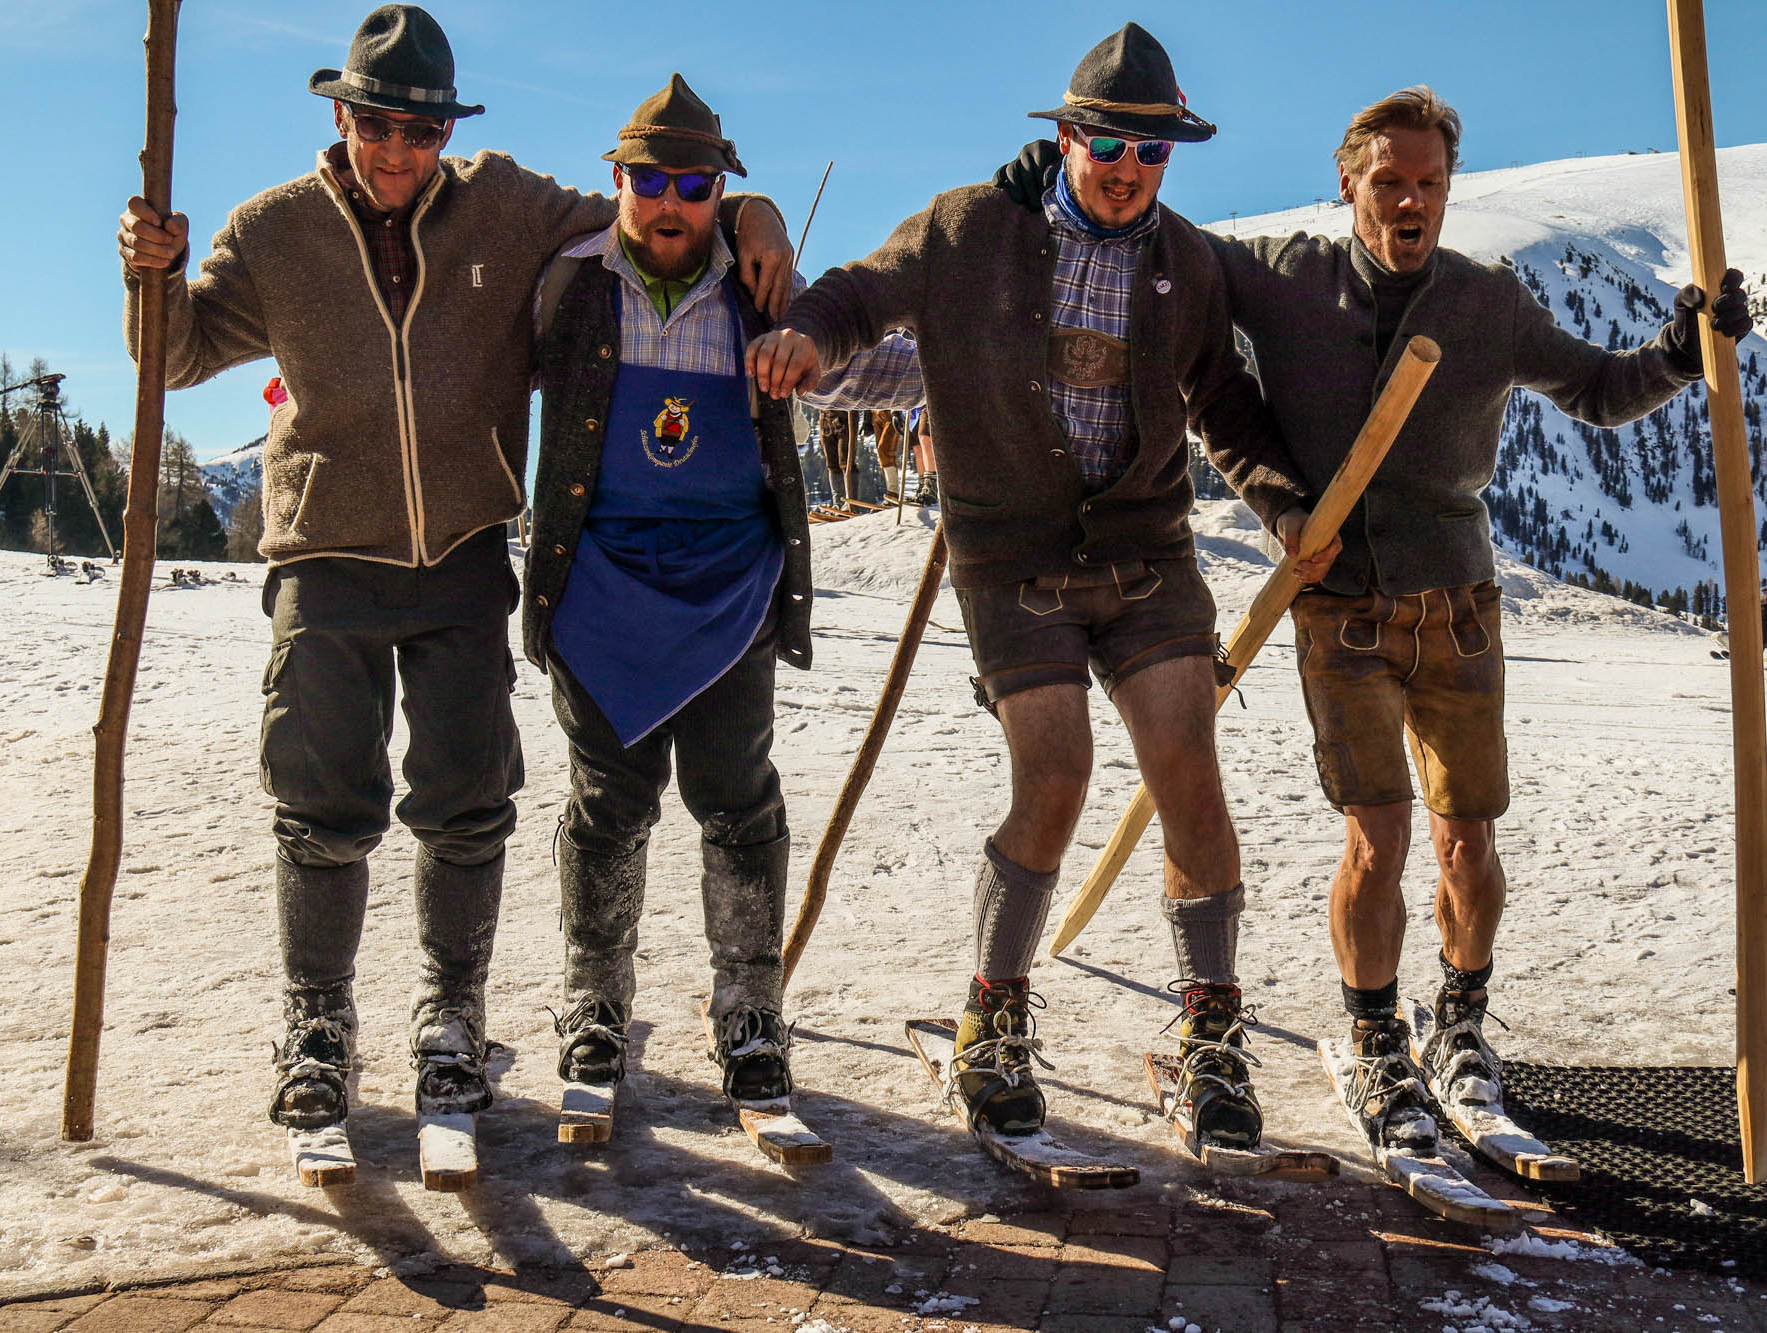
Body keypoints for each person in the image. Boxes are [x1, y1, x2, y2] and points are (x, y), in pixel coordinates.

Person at [115, 5, 792, 1158]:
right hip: (324, 554)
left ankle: (451, 1021)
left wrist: (749, 206)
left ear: (445, 133)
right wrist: (153, 275)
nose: (397, 150)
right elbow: (173, 354)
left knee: (465, 807)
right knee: (322, 811)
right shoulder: (273, 230)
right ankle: (318, 1028)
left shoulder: (506, 202)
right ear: (341, 116)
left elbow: (648, 216)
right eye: (378, 124)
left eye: (420, 130)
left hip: (466, 554)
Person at [748, 22, 1316, 1154]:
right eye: (1107, 142)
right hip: (1011, 556)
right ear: (1065, 136)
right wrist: (809, 333)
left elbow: (1225, 402)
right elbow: (863, 291)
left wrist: (1279, 502)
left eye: (1151, 152)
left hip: (1145, 554)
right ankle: (992, 1019)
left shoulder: (1187, 264)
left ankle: (1208, 1027)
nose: (1126, 169)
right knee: (1053, 770)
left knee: (1184, 762)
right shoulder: (967, 231)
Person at [1206, 87, 1754, 1154]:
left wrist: (1683, 352)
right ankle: (1373, 1037)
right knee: (1377, 834)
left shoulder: (1484, 303)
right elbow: (1173, 296)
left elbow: (1598, 390)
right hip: (1338, 607)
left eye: (1429, 183)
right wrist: (1274, 502)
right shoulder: (1280, 280)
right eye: (1389, 182)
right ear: (1346, 184)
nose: (1410, 202)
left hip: (1455, 605)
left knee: (1464, 840)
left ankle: (1455, 1027)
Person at [525, 75, 921, 1113]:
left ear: (719, 189)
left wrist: (977, 373)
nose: (668, 203)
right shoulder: (566, 287)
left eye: (694, 184)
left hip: (727, 595)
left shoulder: (758, 297)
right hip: (601, 593)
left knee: (736, 802)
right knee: (607, 806)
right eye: (648, 179)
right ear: (614, 179)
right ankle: (594, 1004)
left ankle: (749, 1011)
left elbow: (863, 375)